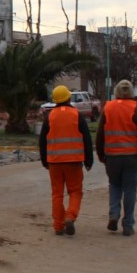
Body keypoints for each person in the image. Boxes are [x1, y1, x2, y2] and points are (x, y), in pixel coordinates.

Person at [95, 79, 137, 237]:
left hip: (112, 156)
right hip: (132, 157)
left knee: (114, 185)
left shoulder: (108, 108)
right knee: (130, 190)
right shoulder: (136, 109)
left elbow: (100, 134)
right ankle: (128, 225)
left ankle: (113, 215)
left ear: (116, 92)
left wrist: (100, 154)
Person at [39, 85, 94, 236]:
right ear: (68, 98)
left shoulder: (49, 117)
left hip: (54, 162)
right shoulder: (77, 115)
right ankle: (70, 216)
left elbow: (42, 141)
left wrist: (44, 160)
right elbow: (87, 139)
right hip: (74, 162)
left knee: (57, 194)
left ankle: (58, 226)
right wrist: (89, 160)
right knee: (75, 192)